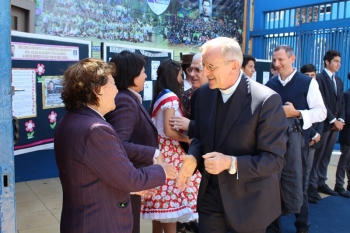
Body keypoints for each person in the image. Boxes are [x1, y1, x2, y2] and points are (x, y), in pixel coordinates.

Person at [177, 37, 288, 233]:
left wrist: (231, 163)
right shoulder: (203, 95)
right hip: (211, 197)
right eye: (204, 65)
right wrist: (193, 157)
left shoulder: (266, 101)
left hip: (250, 203)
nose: (204, 72)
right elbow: (201, 137)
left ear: (234, 66)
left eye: (210, 66)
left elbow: (274, 160)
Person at [54, 58, 176, 232]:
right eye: (112, 84)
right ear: (98, 90)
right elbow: (131, 178)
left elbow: (94, 175)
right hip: (100, 223)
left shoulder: (71, 120)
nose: (117, 90)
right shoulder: (95, 130)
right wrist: (163, 170)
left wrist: (131, 190)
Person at [266, 47, 326, 233]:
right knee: (273, 186)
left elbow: (321, 112)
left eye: (281, 60)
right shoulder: (269, 84)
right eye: (274, 60)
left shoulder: (307, 83)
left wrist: (297, 113)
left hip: (298, 145)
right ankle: (273, 228)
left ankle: (302, 227)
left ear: (293, 58)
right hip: (274, 145)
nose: (277, 64)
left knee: (298, 184)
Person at [105, 51, 165, 233]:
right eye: (142, 71)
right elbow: (117, 144)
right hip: (126, 178)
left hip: (130, 178)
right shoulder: (125, 100)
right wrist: (153, 153)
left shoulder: (129, 98)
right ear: (132, 75)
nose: (146, 76)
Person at [141, 59, 201, 233]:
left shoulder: (160, 95)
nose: (183, 79)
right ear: (174, 76)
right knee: (170, 205)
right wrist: (188, 139)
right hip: (170, 152)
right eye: (181, 75)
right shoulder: (171, 98)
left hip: (160, 150)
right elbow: (168, 131)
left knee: (160, 207)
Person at [308, 50, 345, 200]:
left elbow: (341, 102)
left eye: (339, 62)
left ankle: (321, 182)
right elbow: (321, 102)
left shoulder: (339, 81)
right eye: (335, 61)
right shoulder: (319, 79)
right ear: (327, 62)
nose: (338, 64)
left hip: (335, 126)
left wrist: (341, 120)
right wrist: (332, 120)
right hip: (323, 124)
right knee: (317, 156)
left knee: (326, 156)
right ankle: (311, 185)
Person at [300, 64, 324, 204]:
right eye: (307, 75)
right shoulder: (301, 91)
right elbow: (300, 114)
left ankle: (307, 193)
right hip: (305, 136)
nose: (310, 78)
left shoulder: (317, 91)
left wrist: (318, 134)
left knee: (309, 169)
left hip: (314, 138)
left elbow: (321, 114)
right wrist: (313, 134)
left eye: (312, 75)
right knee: (301, 170)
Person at [334, 72, 350, 198]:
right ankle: (339, 185)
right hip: (348, 134)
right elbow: (346, 114)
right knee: (344, 161)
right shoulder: (347, 95)